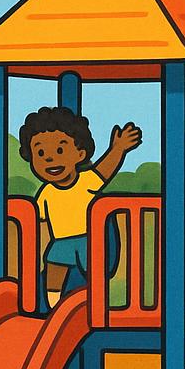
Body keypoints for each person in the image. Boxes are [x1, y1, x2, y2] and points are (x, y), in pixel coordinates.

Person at [18, 106, 142, 305]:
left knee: (93, 271)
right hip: (61, 241)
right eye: (40, 152)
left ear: (80, 154)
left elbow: (106, 169)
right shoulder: (46, 193)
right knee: (54, 265)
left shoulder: (87, 181)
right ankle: (53, 303)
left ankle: (94, 300)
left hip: (88, 239)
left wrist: (118, 148)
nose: (50, 158)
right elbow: (39, 223)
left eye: (60, 150)